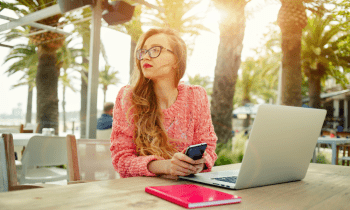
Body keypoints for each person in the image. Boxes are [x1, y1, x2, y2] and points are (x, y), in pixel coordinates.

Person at [110, 28, 218, 180]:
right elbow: (121, 160)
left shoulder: (196, 96)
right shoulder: (128, 97)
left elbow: (209, 147)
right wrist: (166, 167)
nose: (145, 57)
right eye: (143, 51)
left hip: (188, 188)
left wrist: (201, 163)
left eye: (155, 50)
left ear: (176, 60)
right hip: (141, 195)